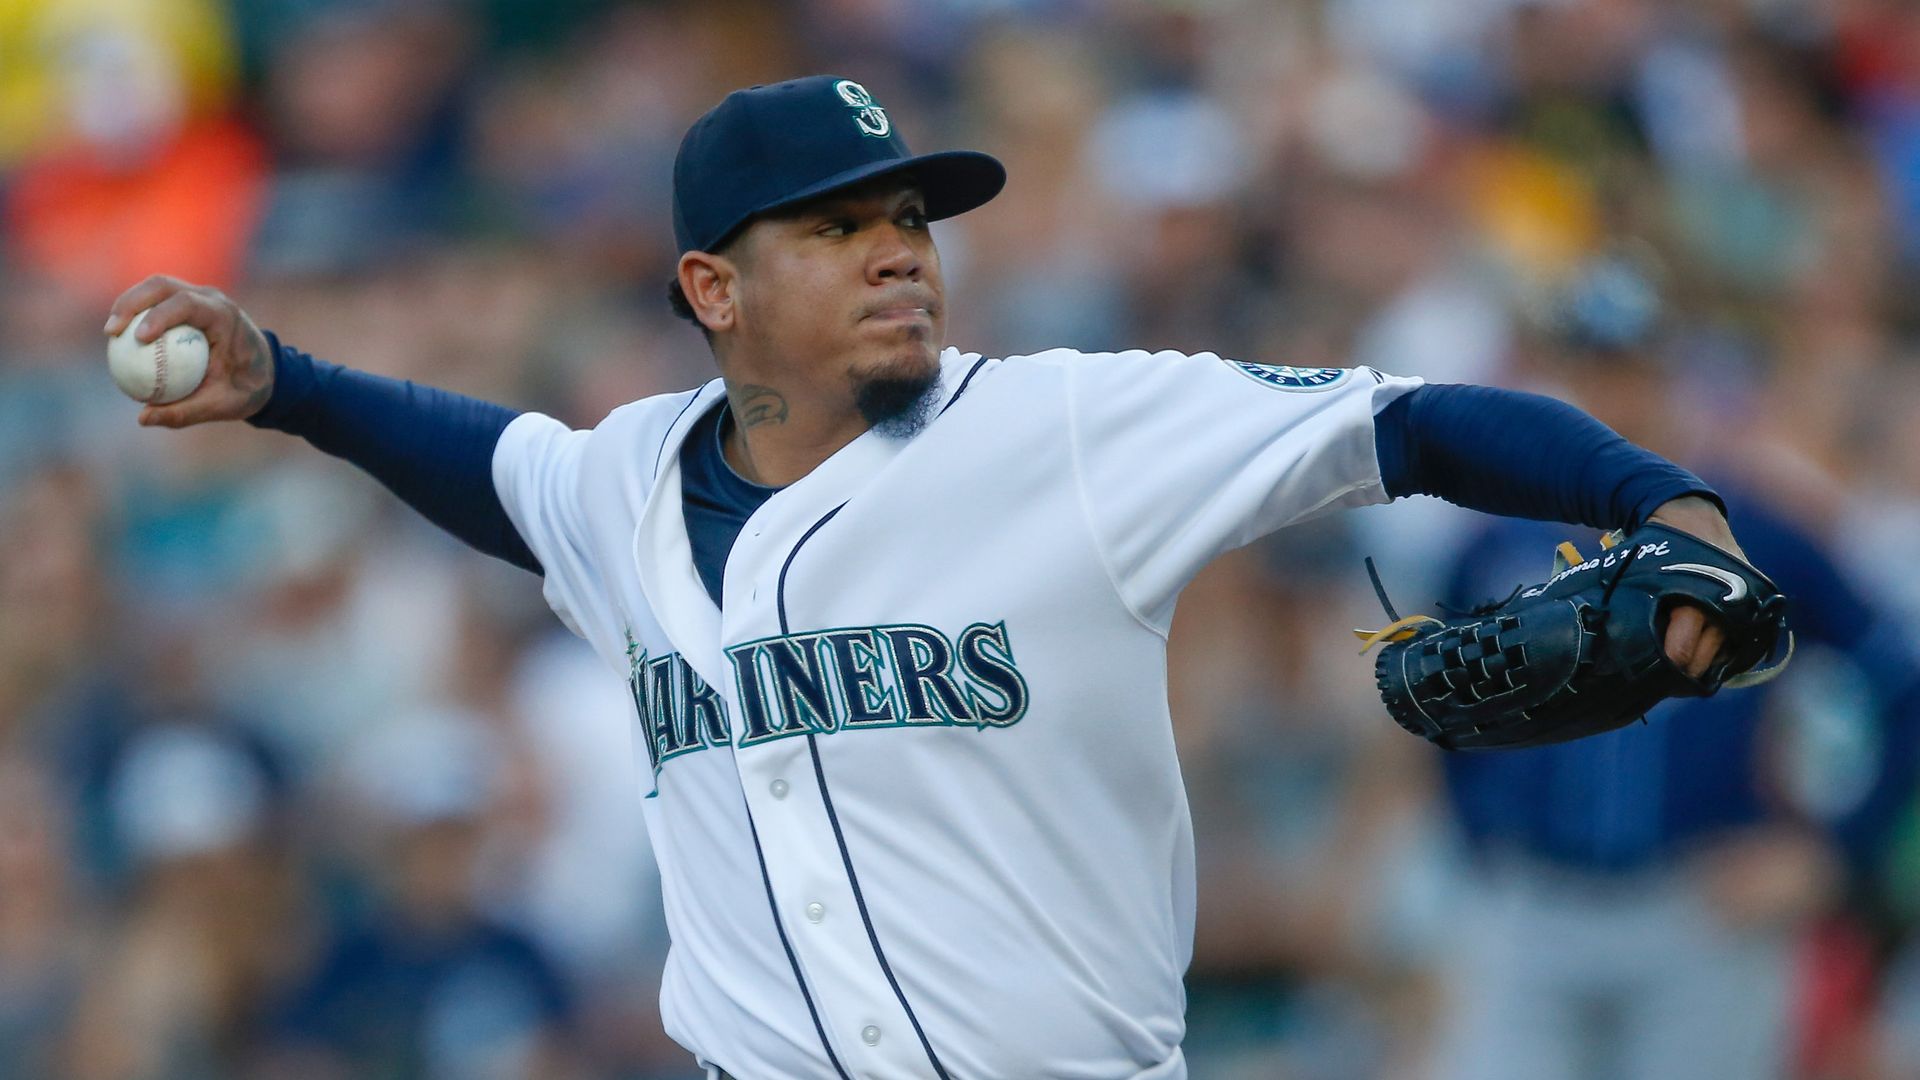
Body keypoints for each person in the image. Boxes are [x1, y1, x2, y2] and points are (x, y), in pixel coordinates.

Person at [105, 75, 1758, 1080]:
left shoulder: (1072, 429)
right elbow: (496, 469)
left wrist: (1660, 497)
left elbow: (1410, 425)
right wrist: (289, 385)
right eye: (834, 230)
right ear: (713, 287)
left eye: (910, 214)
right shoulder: (622, 478)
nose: (900, 247)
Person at [1427, 252, 1920, 1080]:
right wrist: (1480, 834)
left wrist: (1833, 853)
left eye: (1636, 365)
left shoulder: (1756, 534)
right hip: (1535, 904)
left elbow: (1899, 685)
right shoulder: (1499, 537)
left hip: (1699, 906)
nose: (1617, 392)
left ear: (1675, 370)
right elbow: (1437, 691)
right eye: (1594, 365)